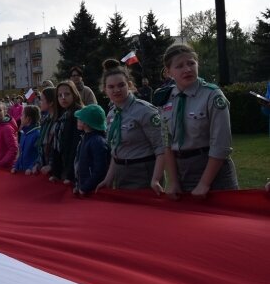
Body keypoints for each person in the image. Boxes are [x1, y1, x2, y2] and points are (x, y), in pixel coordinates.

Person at [159, 43, 238, 199]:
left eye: (191, 63)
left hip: (214, 175)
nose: (187, 69)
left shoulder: (212, 95)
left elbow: (221, 144)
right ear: (169, 72)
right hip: (182, 174)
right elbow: (167, 141)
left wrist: (204, 183)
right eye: (180, 66)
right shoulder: (165, 98)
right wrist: (173, 181)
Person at [96, 60, 164, 192]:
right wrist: (108, 179)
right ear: (104, 90)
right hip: (121, 174)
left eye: (121, 85)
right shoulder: (111, 115)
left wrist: (156, 179)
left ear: (130, 85)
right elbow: (116, 151)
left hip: (144, 172)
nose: (116, 90)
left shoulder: (144, 110)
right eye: (111, 87)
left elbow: (161, 147)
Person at [49, 81, 84, 184]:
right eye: (60, 95)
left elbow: (76, 147)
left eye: (67, 94)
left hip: (76, 171)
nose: (63, 97)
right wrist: (55, 173)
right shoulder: (61, 114)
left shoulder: (79, 114)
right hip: (63, 168)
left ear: (74, 94)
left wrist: (70, 175)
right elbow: (56, 146)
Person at [73, 104, 110, 195]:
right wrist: (79, 186)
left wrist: (85, 187)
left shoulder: (97, 142)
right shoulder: (85, 138)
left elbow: (100, 170)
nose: (77, 120)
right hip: (85, 188)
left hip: (92, 191)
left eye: (80, 118)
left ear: (86, 122)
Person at [33, 87, 57, 175]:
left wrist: (52, 165)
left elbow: (57, 149)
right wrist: (38, 164)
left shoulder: (58, 122)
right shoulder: (46, 120)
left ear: (50, 103)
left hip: (54, 171)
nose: (39, 102)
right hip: (45, 167)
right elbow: (42, 146)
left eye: (42, 100)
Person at [12, 105, 41, 174]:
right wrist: (16, 166)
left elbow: (40, 155)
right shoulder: (24, 133)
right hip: (21, 172)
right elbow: (20, 154)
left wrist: (31, 167)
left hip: (31, 174)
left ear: (28, 119)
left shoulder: (37, 134)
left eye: (22, 115)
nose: (20, 118)